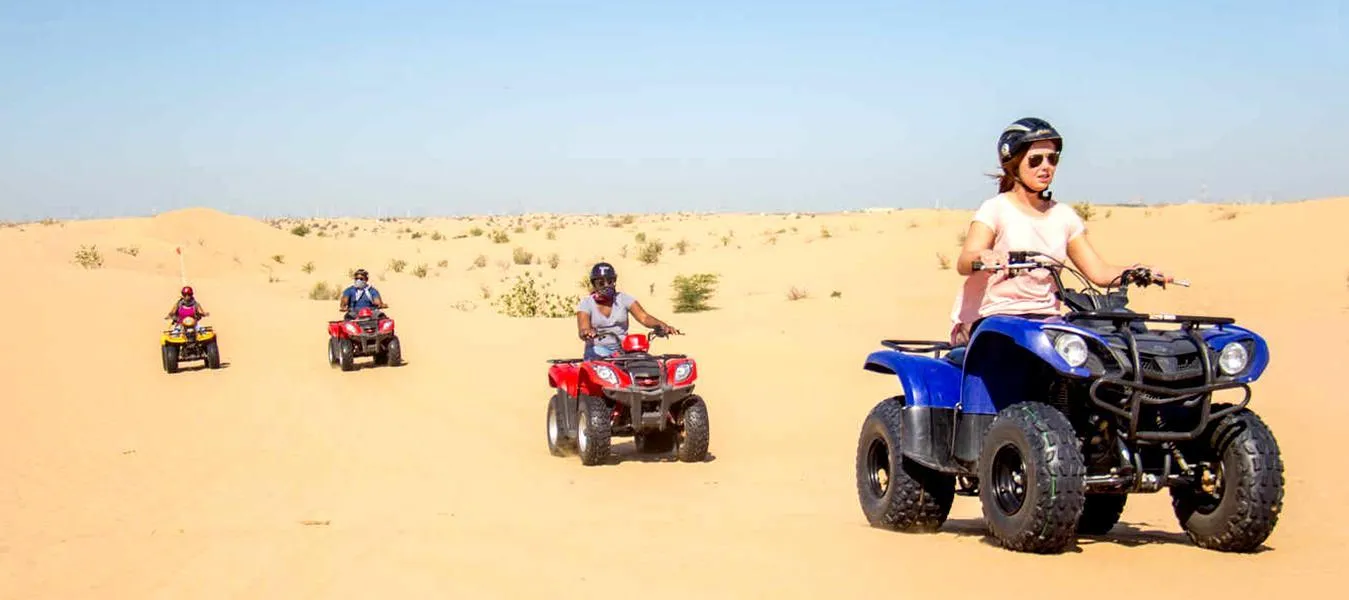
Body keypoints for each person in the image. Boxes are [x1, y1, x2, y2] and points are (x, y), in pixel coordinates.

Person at [948, 117, 1171, 345]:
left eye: (1052, 159)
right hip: (997, 319)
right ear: (1014, 164)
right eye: (1035, 160)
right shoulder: (996, 209)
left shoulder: (1063, 215)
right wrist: (983, 256)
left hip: (1046, 321)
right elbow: (964, 262)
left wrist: (1136, 271)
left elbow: (1099, 272)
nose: (1046, 166)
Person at [575, 262, 681, 360]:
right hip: (598, 350)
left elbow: (644, 317)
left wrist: (662, 326)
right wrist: (587, 332)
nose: (606, 285)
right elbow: (583, 328)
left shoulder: (623, 299)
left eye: (610, 281)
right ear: (594, 285)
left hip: (624, 348)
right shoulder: (586, 303)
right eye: (601, 283)